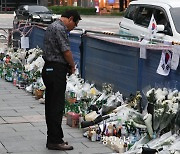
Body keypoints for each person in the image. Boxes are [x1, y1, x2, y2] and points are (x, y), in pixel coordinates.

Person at [42, 9, 81, 150]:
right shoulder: (60, 28)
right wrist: (72, 65)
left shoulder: (52, 26)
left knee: (51, 106)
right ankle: (54, 140)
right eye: (74, 25)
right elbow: (66, 51)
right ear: (70, 19)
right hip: (56, 70)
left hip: (49, 69)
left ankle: (53, 137)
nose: (73, 27)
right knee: (56, 107)